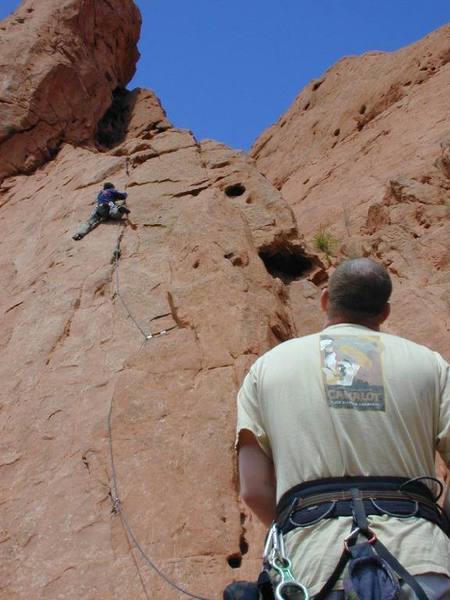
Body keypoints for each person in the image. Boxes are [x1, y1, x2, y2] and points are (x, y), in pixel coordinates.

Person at [236, 258, 450, 599]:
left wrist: (297, 531)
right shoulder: (432, 367)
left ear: (324, 300)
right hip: (420, 561)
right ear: (385, 312)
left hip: (310, 567)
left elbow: (254, 489)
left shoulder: (267, 369)